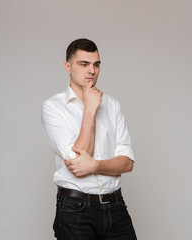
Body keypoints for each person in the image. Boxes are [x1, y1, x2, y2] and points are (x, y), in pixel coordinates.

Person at [41, 38, 137, 240]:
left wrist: (93, 166)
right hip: (75, 210)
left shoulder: (112, 105)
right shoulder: (53, 107)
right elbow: (76, 159)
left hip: (115, 206)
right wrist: (90, 108)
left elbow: (127, 163)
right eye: (83, 64)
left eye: (96, 64)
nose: (91, 70)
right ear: (68, 67)